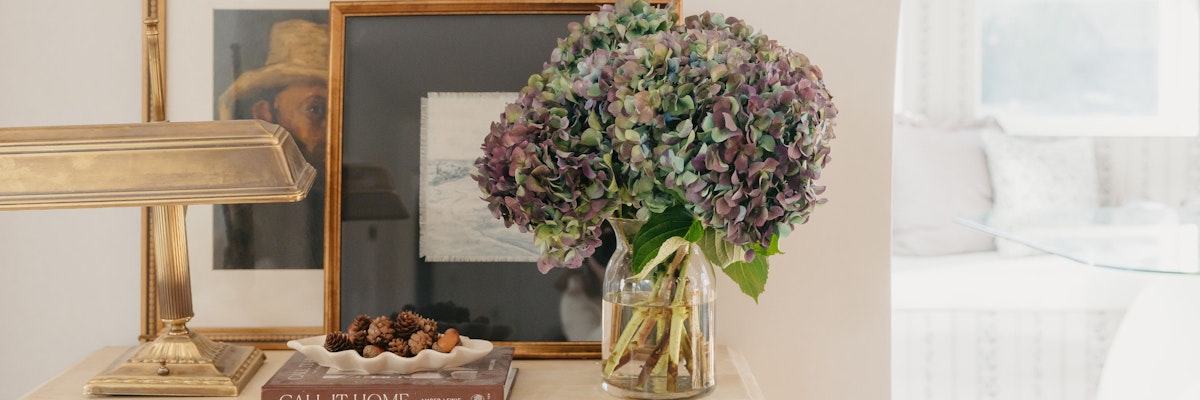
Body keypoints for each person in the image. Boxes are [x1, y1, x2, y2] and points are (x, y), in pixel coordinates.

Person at [214, 19, 329, 269]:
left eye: (337, 114)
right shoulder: (249, 200)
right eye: (315, 109)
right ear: (264, 113)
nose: (329, 130)